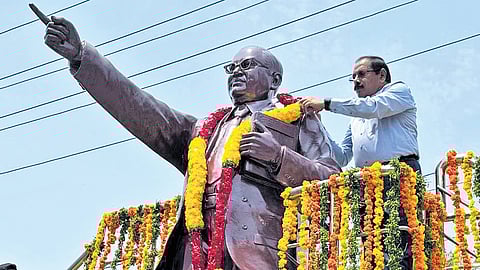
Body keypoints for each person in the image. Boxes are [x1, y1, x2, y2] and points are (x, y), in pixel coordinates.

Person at [43, 16, 341, 270]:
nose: (236, 71)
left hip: (257, 247)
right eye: (231, 68)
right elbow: (139, 106)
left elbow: (332, 178)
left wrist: (278, 156)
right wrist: (82, 58)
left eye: (247, 65)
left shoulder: (297, 117)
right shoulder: (203, 130)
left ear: (274, 79)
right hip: (195, 243)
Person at [299, 56, 420, 269]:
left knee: (399, 240)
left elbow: (373, 108)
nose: (356, 80)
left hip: (396, 175)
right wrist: (317, 125)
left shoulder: (398, 92)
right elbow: (343, 155)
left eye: (362, 74)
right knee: (371, 245)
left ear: (382, 75)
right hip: (366, 183)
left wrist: (326, 104)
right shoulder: (356, 117)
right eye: (353, 77)